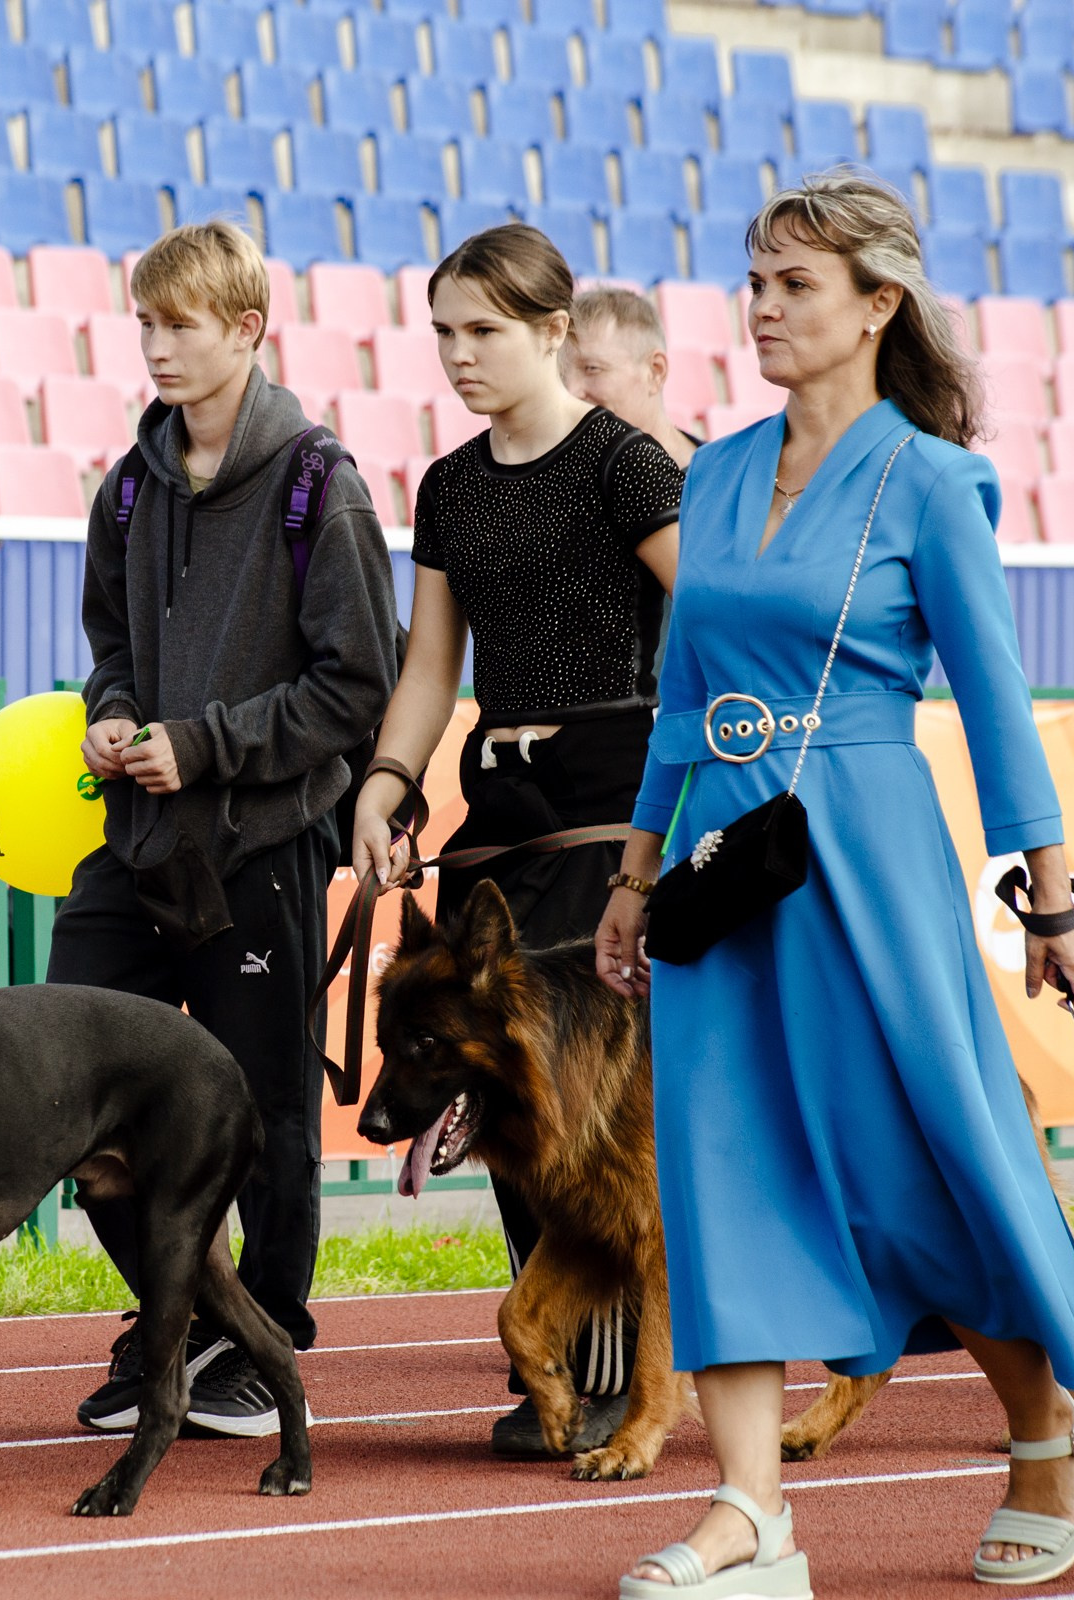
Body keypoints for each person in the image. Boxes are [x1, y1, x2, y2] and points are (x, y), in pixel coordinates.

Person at [593, 173, 1074, 1593]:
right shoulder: (706, 472)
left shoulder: (935, 481)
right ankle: (753, 1514)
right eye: (754, 282)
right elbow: (682, 693)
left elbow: (1000, 703)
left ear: (879, 305)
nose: (761, 308)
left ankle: (1045, 1432)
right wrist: (637, 866)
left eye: (795, 286)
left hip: (866, 846)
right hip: (721, 850)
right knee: (722, 1162)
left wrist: (1056, 901)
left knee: (915, 1162)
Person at [54, 219, 399, 1437]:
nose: (153, 345)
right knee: (72, 1083)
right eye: (143, 321)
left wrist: (201, 746)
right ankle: (177, 1313)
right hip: (135, 845)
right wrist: (113, 718)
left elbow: (356, 685)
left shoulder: (321, 482)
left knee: (266, 1110)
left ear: (246, 328)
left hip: (262, 847)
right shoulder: (130, 482)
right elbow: (110, 649)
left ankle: (266, 1338)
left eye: (178, 322)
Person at [349, 223, 682, 1460]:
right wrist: (388, 781)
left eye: (483, 330)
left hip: (617, 802)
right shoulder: (447, 484)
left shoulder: (625, 464)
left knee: (596, 1114)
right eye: (442, 333)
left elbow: (707, 619)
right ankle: (549, 1355)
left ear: (554, 332)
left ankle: (603, 1377)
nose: (458, 355)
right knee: (501, 1097)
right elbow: (433, 664)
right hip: (499, 819)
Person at [562, 286, 699, 470]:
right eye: (561, 373)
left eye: (592, 369)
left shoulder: (721, 482)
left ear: (655, 372)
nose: (570, 391)